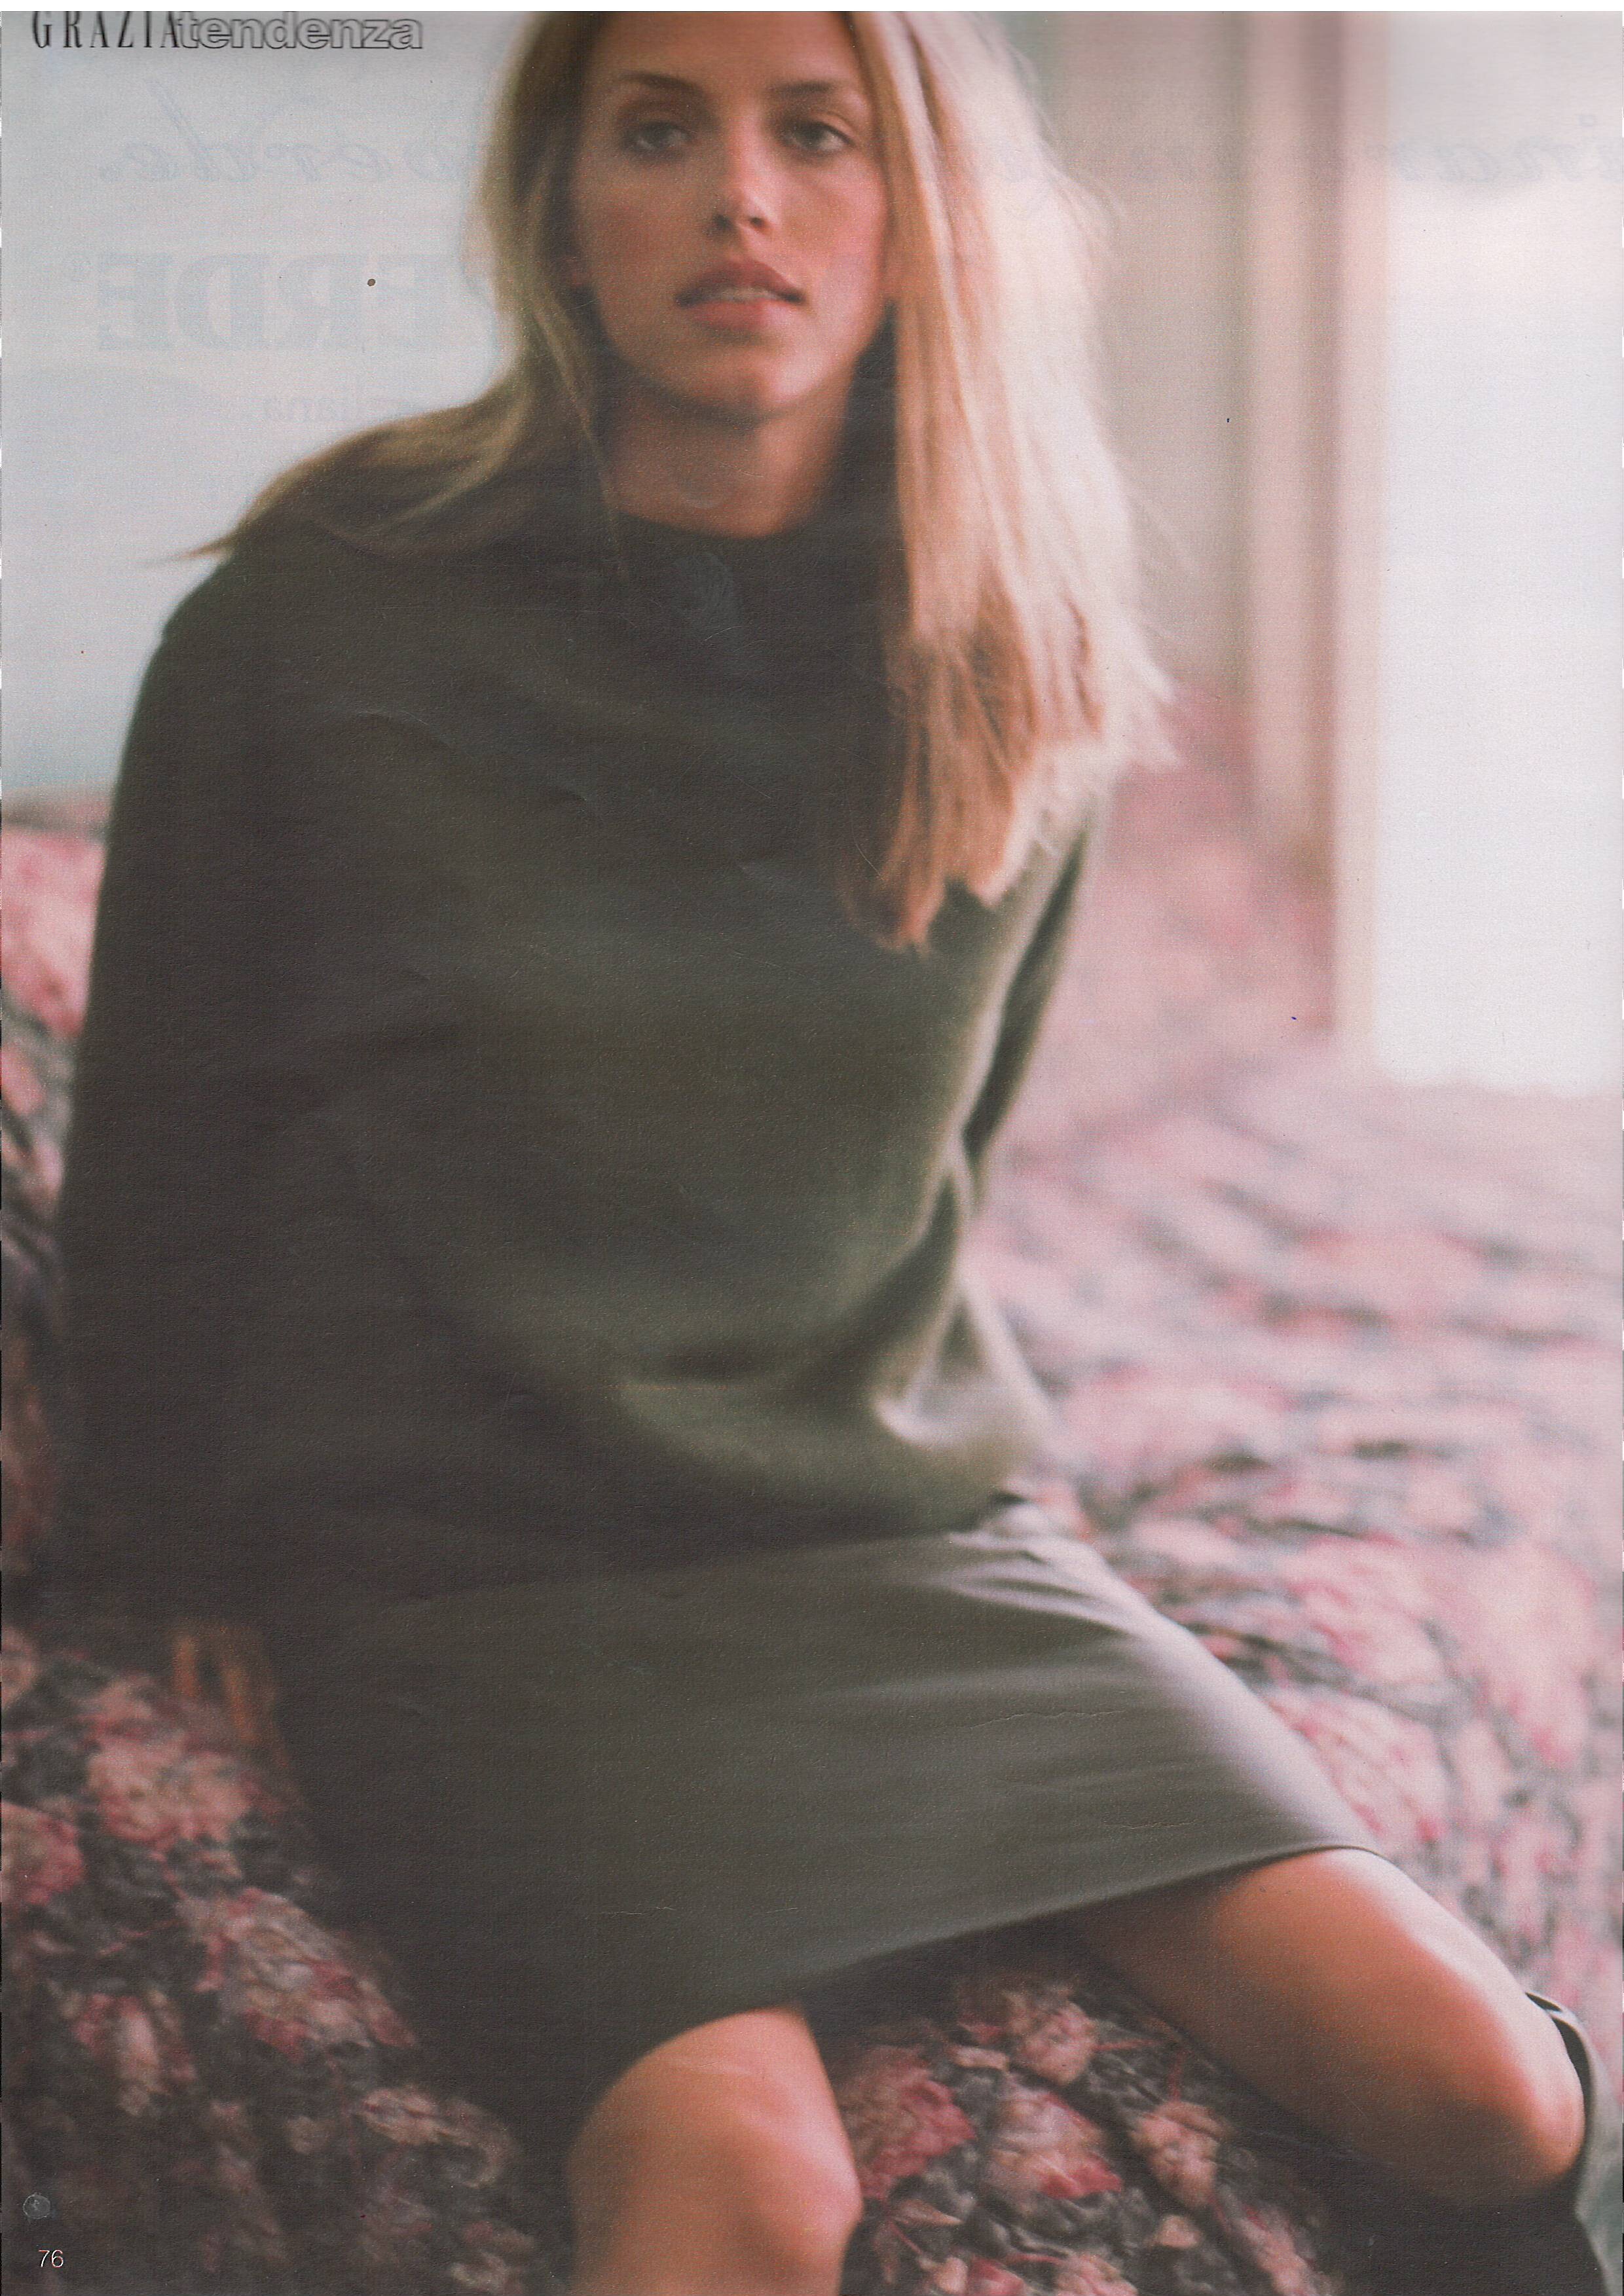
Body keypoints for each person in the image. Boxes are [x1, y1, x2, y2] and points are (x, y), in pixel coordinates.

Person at [48, 15, 1615, 2294]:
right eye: (657, 130)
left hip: (900, 1544)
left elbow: (931, 1165)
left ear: (927, 206)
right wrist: (188, 1537)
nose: (742, 196)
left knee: (1490, 2086)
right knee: (751, 2192)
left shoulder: (1014, 649)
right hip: (482, 1582)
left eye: (820, 132)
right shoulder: (318, 613)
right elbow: (163, 1128)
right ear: (561, 201)